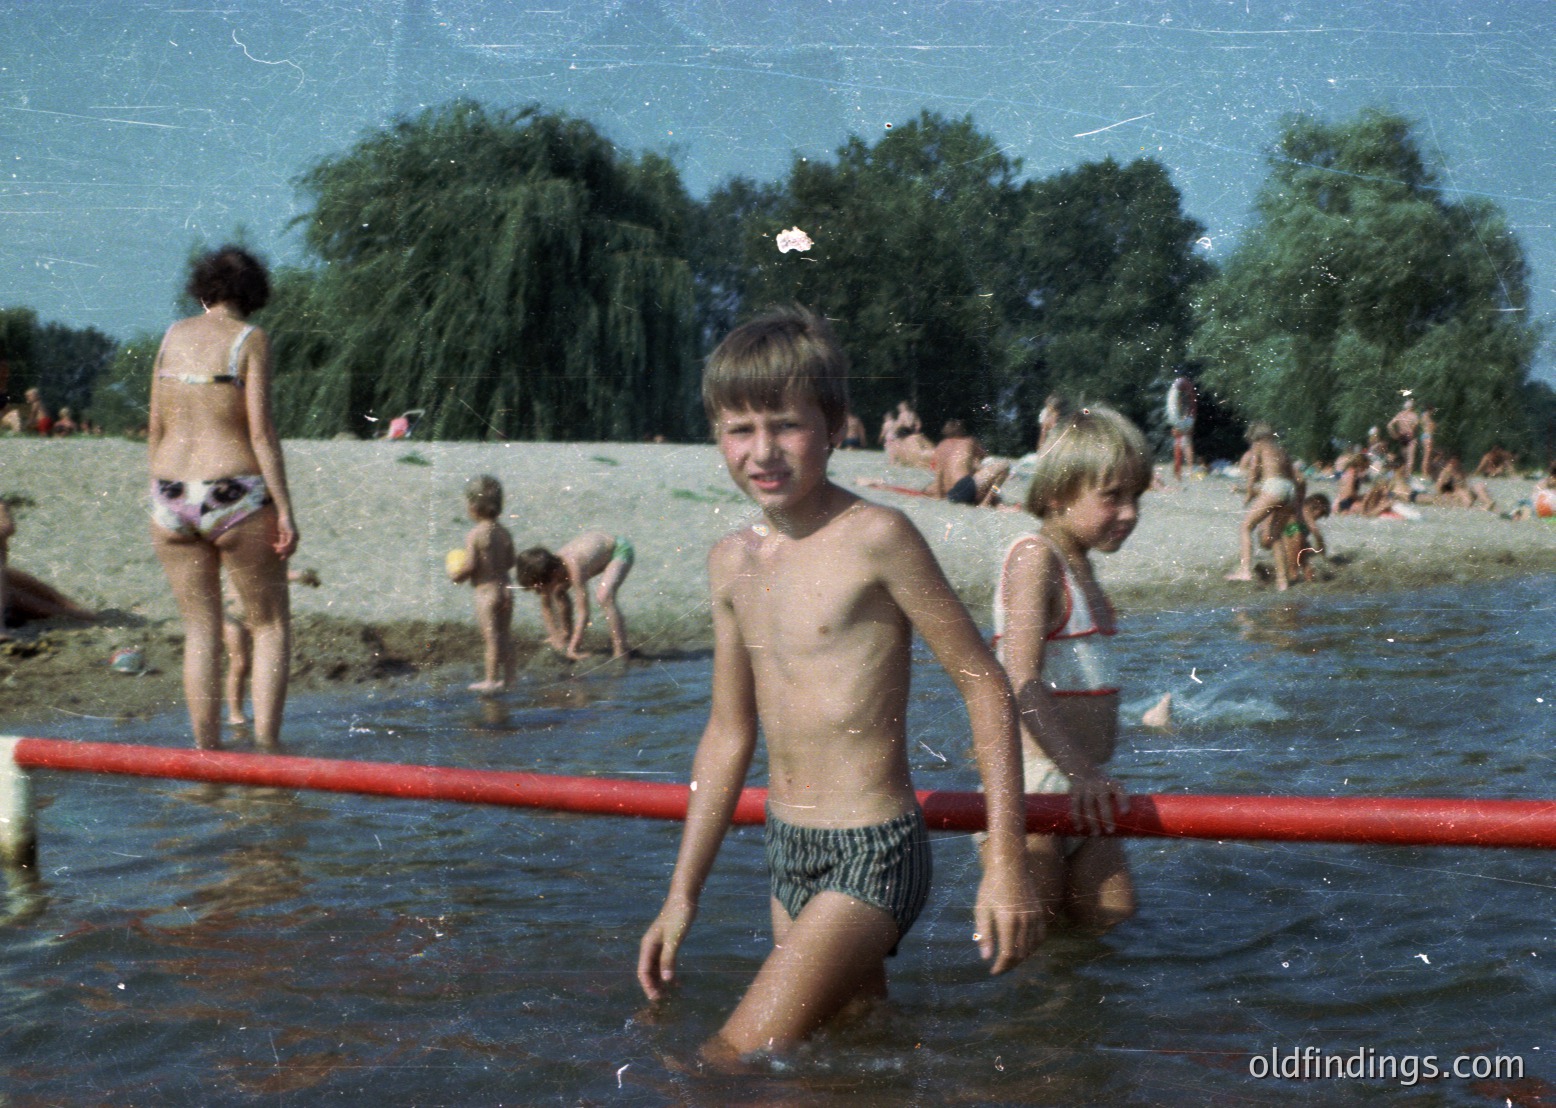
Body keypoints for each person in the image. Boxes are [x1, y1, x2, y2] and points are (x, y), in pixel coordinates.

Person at [636, 308, 1039, 1065]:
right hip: (789, 852)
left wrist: (1006, 863)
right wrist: (681, 893)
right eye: (739, 429)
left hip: (873, 852)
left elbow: (983, 682)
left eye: (784, 426)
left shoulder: (877, 537)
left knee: (728, 1061)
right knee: (841, 1060)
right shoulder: (731, 562)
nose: (762, 452)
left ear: (835, 425)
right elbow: (728, 733)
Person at [993, 406, 1150, 933]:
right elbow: (1022, 680)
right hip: (1040, 782)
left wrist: (1086, 774)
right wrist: (1080, 770)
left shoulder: (1082, 567)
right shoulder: (1036, 558)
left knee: (1109, 926)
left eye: (1137, 497)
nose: (1129, 513)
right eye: (1113, 497)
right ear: (1058, 494)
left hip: (1085, 784)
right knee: (1034, 944)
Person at [148, 245, 298, 750]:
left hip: (169, 491)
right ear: (253, 292)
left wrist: (161, 495)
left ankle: (206, 757)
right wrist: (284, 508)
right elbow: (261, 433)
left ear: (204, 286)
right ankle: (267, 757)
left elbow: (155, 427)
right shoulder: (249, 340)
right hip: (232, 489)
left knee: (200, 630)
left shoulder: (171, 336)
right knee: (270, 624)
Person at [514, 531, 633, 661]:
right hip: (596, 554)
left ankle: (621, 649)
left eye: (542, 587)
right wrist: (555, 636)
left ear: (553, 575)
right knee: (558, 591)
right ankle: (566, 634)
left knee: (604, 596)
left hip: (618, 549)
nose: (541, 592)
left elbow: (584, 613)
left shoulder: (574, 567)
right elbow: (546, 605)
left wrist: (573, 649)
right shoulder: (550, 567)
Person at [224, 566, 320, 724]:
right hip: (235, 617)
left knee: (262, 664)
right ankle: (235, 713)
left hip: (259, 616)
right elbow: (261, 573)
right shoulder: (239, 551)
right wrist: (299, 575)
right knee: (239, 664)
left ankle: (261, 712)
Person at [449, 475, 518, 691]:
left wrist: (457, 576)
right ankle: (509, 679)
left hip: (485, 593)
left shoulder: (475, 535)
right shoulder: (504, 533)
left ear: (472, 507)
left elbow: (470, 565)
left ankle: (490, 680)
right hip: (506, 591)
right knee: (505, 636)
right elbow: (510, 562)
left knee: (490, 639)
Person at [1226, 422, 1302, 590]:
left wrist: (1248, 492)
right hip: (1290, 491)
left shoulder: (1259, 446)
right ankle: (1283, 582)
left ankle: (1245, 570)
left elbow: (1254, 470)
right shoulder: (1281, 450)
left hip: (1274, 487)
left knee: (1246, 526)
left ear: (1256, 437)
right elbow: (1293, 477)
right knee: (1275, 535)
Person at [930, 419, 1010, 507]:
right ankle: (986, 503)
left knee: (981, 480)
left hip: (950, 494)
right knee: (1004, 465)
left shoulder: (941, 445)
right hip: (965, 488)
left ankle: (997, 504)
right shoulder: (970, 441)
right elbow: (985, 458)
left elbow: (939, 473)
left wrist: (938, 496)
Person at [1165, 373, 1198, 481]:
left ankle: (1178, 472)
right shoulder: (1186, 394)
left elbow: (1177, 407)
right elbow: (1191, 405)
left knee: (1179, 445)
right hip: (1185, 420)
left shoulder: (1176, 396)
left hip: (1180, 420)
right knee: (1187, 444)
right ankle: (1189, 469)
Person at [1386, 397, 1420, 476]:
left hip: (1401, 437)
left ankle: (1403, 476)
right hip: (1410, 438)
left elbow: (1389, 425)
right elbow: (1414, 428)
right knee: (1410, 459)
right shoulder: (1414, 415)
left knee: (1404, 459)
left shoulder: (1400, 414)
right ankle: (1407, 476)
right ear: (1412, 406)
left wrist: (1394, 435)